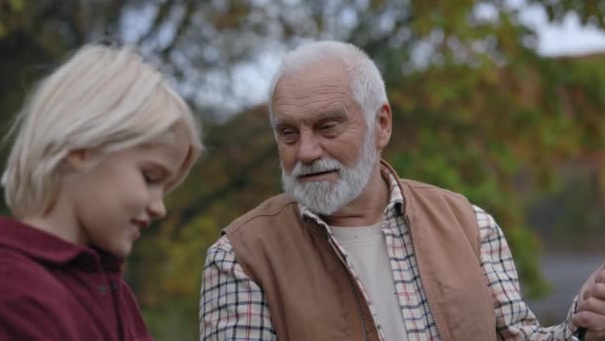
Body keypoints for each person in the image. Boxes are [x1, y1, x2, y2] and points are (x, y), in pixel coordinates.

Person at [199, 40, 605, 341]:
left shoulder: (468, 224)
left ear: (382, 125)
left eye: (327, 127)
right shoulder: (240, 257)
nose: (306, 151)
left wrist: (582, 327)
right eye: (288, 133)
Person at [0, 44, 202, 340]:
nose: (160, 208)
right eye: (150, 177)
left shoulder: (114, 293)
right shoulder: (11, 289)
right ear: (81, 149)